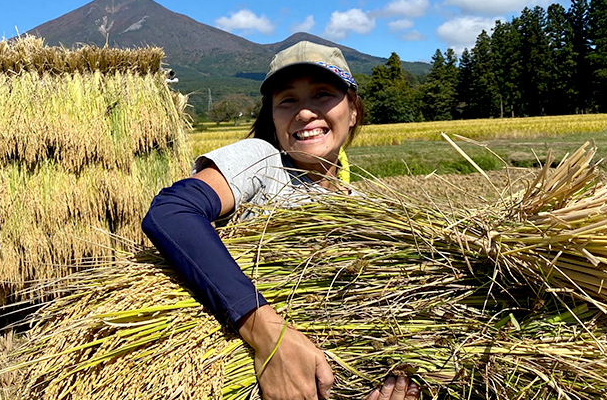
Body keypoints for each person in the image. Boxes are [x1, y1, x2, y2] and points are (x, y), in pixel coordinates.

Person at [143, 41, 420, 400]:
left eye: (322, 94)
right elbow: (171, 213)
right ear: (272, 119)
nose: (304, 113)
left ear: (353, 110)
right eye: (287, 100)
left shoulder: (366, 210)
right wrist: (269, 334)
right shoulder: (264, 162)